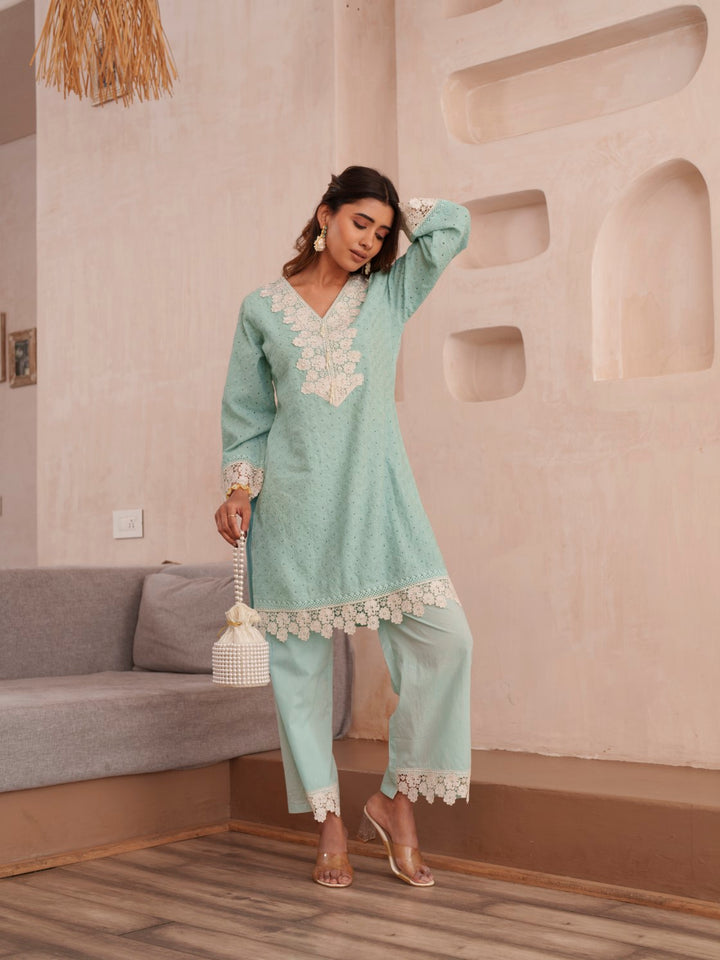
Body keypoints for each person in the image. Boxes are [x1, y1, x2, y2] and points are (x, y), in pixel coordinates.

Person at [215, 166, 473, 889]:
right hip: (293, 511)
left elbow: (454, 225)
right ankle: (329, 825)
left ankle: (395, 802)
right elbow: (246, 414)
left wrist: (400, 209)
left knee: (448, 641)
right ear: (324, 213)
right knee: (299, 675)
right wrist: (238, 490)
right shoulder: (262, 309)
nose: (370, 241)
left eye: (382, 232)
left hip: (381, 502)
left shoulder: (389, 292)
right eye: (360, 221)